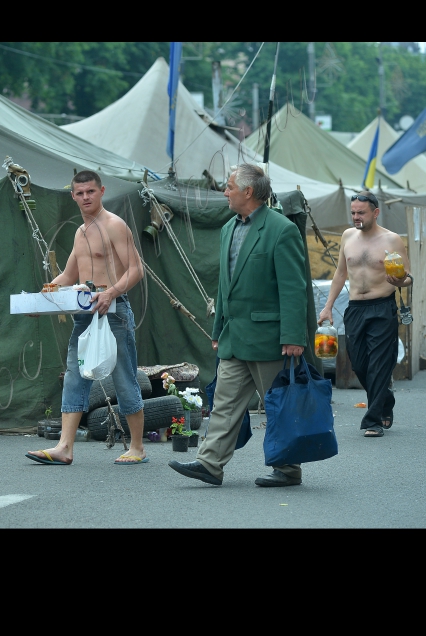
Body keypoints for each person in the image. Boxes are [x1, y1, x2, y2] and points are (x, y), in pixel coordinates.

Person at [169, 163, 308, 487]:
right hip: (234, 337)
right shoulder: (228, 228)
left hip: (269, 338)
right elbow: (223, 288)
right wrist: (218, 330)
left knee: (277, 406)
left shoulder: (281, 229)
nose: (225, 191)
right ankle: (209, 464)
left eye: (230, 186)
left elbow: (293, 288)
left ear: (248, 192)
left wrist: (292, 336)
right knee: (224, 404)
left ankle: (288, 469)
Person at [26, 170, 146, 465]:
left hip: (114, 311)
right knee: (74, 377)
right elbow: (68, 276)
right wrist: (43, 298)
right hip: (84, 314)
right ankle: (65, 447)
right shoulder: (80, 233)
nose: (85, 198)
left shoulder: (115, 225)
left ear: (101, 191)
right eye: (79, 193)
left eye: (90, 192)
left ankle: (138, 447)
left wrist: (110, 293)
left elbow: (136, 270)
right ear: (73, 196)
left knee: (124, 378)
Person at [317, 190, 411, 438]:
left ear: (376, 212)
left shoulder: (392, 240)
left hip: (382, 307)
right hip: (356, 309)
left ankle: (373, 420)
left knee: (379, 364)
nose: (356, 217)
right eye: (353, 213)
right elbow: (340, 274)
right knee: (359, 364)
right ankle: (385, 399)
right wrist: (328, 306)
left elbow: (408, 278)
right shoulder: (348, 236)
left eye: (361, 213)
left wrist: (399, 280)